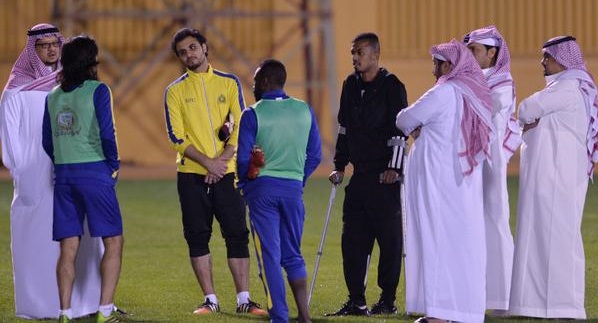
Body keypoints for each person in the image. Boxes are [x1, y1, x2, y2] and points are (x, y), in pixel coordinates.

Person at [0, 23, 103, 320]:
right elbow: (11, 144)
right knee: (37, 240)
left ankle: (85, 303)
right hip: (34, 176)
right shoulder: (15, 91)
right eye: (43, 45)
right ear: (33, 49)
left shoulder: (68, 85)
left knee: (79, 237)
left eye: (54, 44)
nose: (50, 49)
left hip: (71, 170)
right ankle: (38, 305)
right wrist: (23, 174)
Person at [163, 27, 267, 316]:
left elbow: (240, 125)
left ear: (205, 48)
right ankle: (210, 300)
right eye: (182, 52)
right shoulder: (174, 91)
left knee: (236, 234)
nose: (189, 54)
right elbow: (176, 137)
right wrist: (209, 163)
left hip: (228, 172)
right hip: (192, 175)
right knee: (197, 235)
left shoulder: (229, 83)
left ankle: (244, 300)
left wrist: (221, 162)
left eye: (193, 47)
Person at [396, 39, 494, 323]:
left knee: (436, 240)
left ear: (450, 65)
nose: (433, 70)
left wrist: (419, 126)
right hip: (461, 181)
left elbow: (404, 119)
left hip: (438, 181)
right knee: (460, 244)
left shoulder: (445, 91)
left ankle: (439, 314)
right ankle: (462, 311)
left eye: (436, 63)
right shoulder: (473, 93)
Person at [509, 35, 597, 320]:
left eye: (546, 57)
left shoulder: (568, 89)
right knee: (541, 238)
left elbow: (525, 109)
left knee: (558, 239)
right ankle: (537, 305)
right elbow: (529, 116)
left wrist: (534, 120)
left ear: (562, 59)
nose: (542, 62)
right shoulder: (564, 89)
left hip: (557, 179)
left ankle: (564, 306)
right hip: (550, 178)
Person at [41, 35, 124, 323]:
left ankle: (64, 313)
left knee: (68, 247)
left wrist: (65, 162)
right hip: (95, 173)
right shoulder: (99, 90)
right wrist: (113, 165)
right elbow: (106, 133)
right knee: (114, 241)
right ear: (91, 61)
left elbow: (47, 142)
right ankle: (104, 312)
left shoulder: (52, 96)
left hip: (64, 176)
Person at [327, 32, 407, 316]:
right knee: (352, 241)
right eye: (353, 52)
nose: (355, 58)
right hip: (359, 178)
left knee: (389, 241)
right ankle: (356, 300)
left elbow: (400, 132)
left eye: (360, 52)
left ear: (375, 54)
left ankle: (387, 299)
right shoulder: (349, 85)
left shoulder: (392, 86)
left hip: (384, 179)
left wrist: (393, 169)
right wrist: (339, 164)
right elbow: (344, 128)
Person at [237, 59, 322, 323]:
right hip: (292, 192)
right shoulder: (304, 110)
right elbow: (315, 156)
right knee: (292, 253)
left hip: (262, 192)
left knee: (270, 257)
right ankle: (304, 316)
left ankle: (280, 317)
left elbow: (242, 160)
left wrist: (246, 183)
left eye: (254, 81)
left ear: (263, 82)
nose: (252, 86)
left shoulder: (252, 113)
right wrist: (298, 179)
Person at [464, 25, 520, 312]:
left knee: (496, 221)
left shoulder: (502, 82)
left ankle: (503, 297)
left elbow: (487, 106)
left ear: (492, 52)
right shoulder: (471, 80)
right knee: (472, 224)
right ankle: (479, 294)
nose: (470, 56)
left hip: (490, 159)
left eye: (474, 50)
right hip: (470, 158)